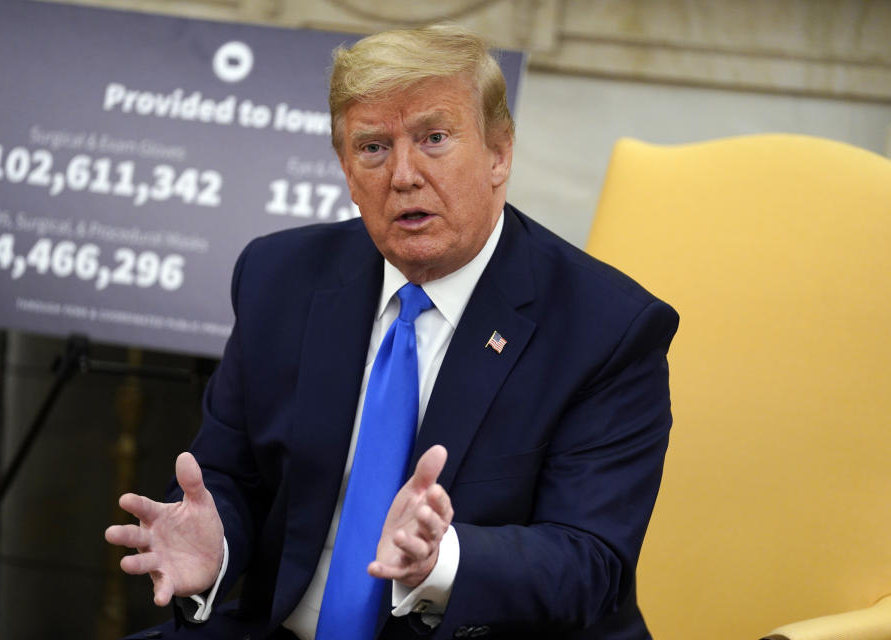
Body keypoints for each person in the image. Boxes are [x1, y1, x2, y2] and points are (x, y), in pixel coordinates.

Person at [106, 24, 678, 640]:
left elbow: (590, 563)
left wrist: (443, 560)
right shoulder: (280, 279)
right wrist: (218, 547)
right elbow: (227, 478)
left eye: (434, 138)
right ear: (347, 172)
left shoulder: (607, 329)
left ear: (499, 153)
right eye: (373, 148)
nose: (403, 174)